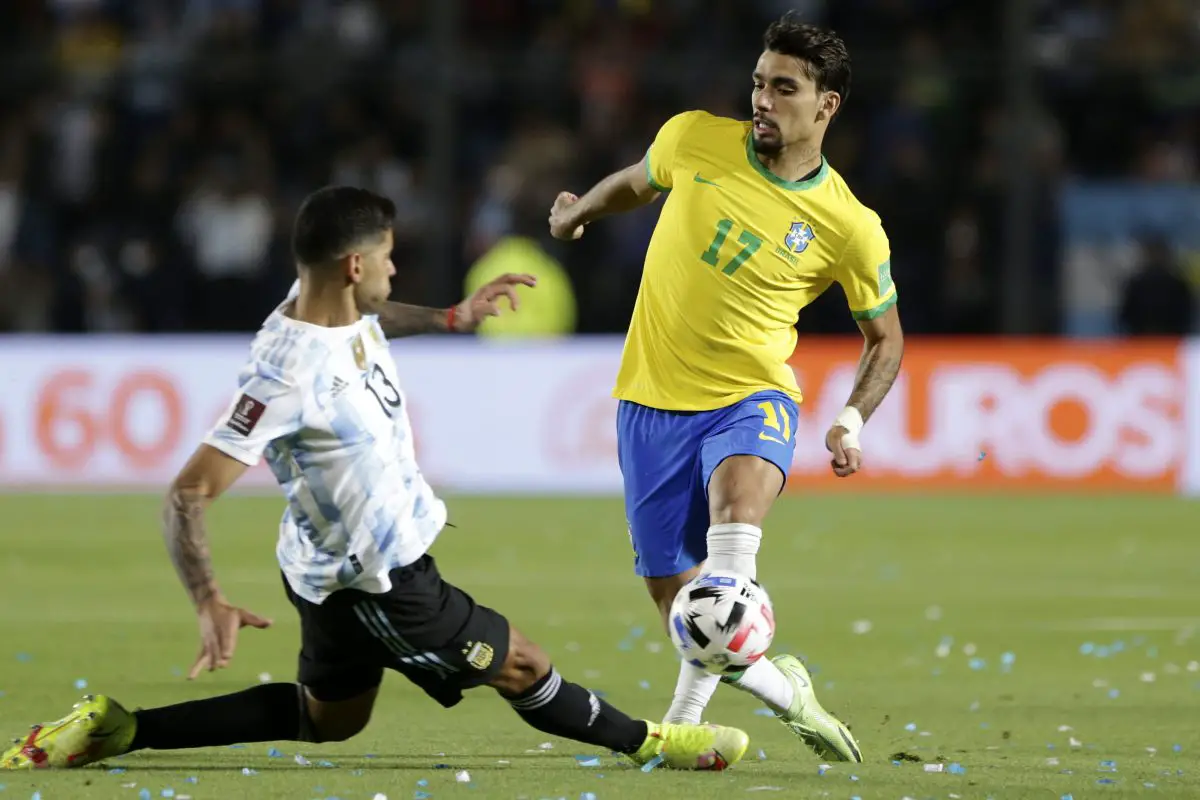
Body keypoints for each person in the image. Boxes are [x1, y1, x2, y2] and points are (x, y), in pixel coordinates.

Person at [2, 186, 749, 772]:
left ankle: (117, 727)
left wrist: (452, 316)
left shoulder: (333, 308)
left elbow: (375, 317)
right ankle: (658, 743)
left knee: (332, 719)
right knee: (522, 664)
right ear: (354, 265)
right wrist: (208, 600)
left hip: (327, 570)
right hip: (378, 583)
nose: (395, 270)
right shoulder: (288, 370)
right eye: (388, 257)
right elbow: (187, 493)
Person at [548, 16, 906, 763]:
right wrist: (580, 209)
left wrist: (850, 420)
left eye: (784, 88)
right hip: (649, 402)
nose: (763, 100)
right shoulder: (694, 138)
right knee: (678, 600)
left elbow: (886, 337)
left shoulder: (849, 225)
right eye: (758, 83)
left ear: (826, 106)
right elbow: (637, 182)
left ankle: (680, 729)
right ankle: (786, 692)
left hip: (752, 397)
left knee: (733, 528)